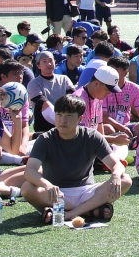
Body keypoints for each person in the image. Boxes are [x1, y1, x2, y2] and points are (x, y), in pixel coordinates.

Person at [22, 94, 132, 224]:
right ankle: (89, 211)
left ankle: (68, 212)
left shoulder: (92, 137)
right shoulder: (45, 139)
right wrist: (47, 185)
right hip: (56, 193)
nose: (62, 120)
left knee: (125, 179)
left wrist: (115, 175)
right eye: (59, 114)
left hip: (86, 192)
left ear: (80, 118)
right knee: (27, 188)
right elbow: (29, 171)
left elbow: (117, 165)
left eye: (68, 115)